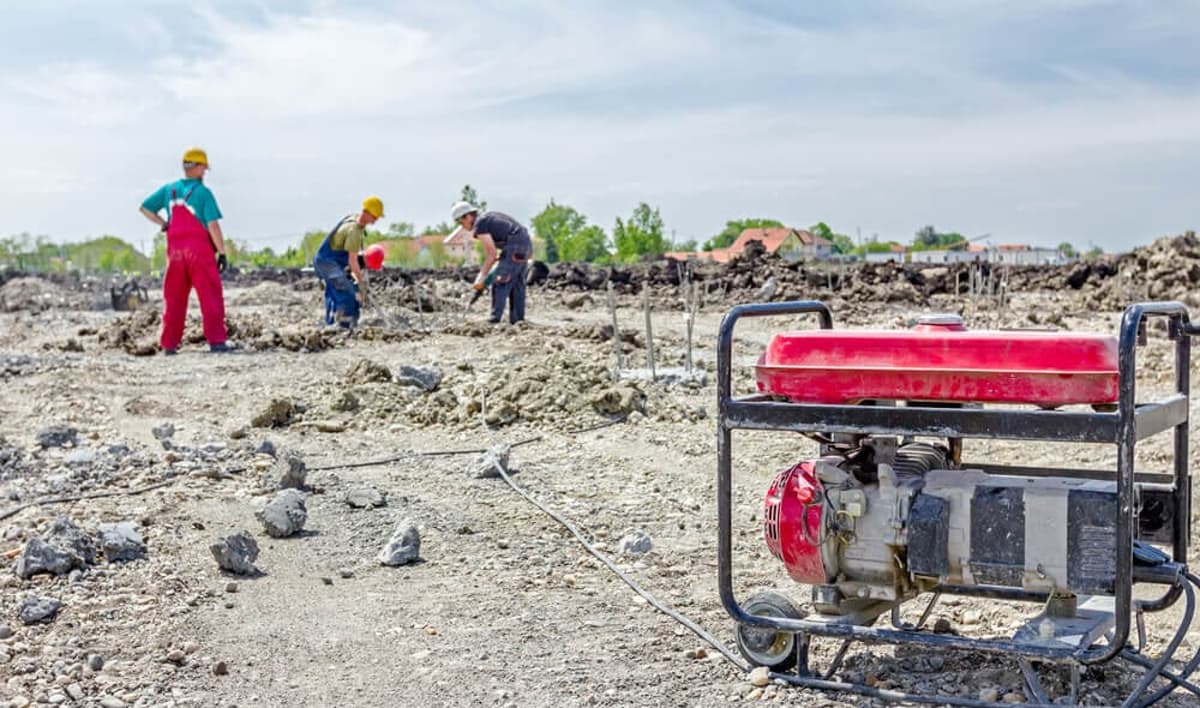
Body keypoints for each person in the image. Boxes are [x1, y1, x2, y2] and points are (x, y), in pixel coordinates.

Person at [139, 147, 230, 354]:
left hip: (175, 254)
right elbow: (212, 225)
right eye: (204, 169)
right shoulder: (203, 193)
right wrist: (222, 252)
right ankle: (217, 341)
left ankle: (169, 345)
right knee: (210, 295)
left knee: (174, 297)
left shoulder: (168, 190)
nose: (205, 173)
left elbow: (145, 208)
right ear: (197, 168)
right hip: (200, 252)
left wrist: (163, 224)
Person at [451, 201, 532, 324]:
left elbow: (491, 254)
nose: (462, 226)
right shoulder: (489, 217)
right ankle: (518, 321)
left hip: (514, 246)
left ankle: (494, 320)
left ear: (468, 216)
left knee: (500, 282)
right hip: (526, 245)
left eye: (461, 222)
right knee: (516, 284)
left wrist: (481, 277)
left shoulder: (480, 224)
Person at [313, 197, 383, 328]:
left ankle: (331, 324)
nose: (376, 220)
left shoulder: (353, 220)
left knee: (335, 292)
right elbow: (352, 261)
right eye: (375, 216)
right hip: (328, 263)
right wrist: (361, 283)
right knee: (346, 293)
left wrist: (357, 280)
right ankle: (344, 328)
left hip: (327, 262)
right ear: (367, 213)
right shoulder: (354, 231)